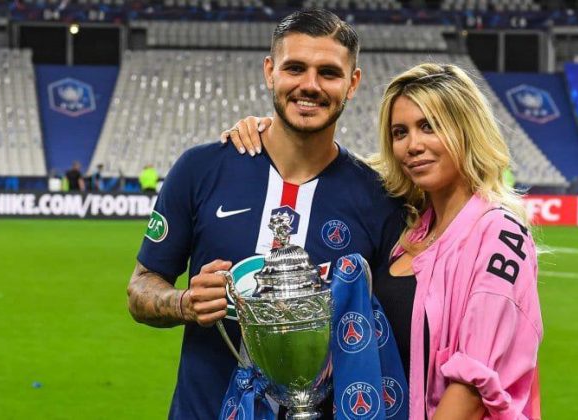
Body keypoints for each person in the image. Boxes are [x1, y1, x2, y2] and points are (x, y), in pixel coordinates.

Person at [127, 10, 403, 420]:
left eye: (329, 73)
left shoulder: (380, 198)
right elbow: (140, 288)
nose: (310, 85)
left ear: (353, 83)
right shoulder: (201, 169)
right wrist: (184, 303)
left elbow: (391, 330)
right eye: (295, 68)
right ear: (270, 71)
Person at [226, 63, 543, 419]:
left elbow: (472, 389)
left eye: (429, 126)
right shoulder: (407, 228)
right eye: (399, 132)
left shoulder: (500, 233)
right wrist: (270, 135)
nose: (412, 145)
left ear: (466, 130)